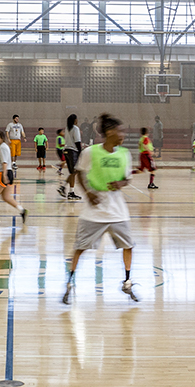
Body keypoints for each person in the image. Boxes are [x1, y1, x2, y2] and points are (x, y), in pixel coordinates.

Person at [63, 113, 138, 304]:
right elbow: (79, 172)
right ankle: (69, 283)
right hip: (94, 211)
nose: (123, 134)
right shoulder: (91, 152)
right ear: (110, 132)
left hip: (117, 210)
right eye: (120, 130)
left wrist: (121, 183)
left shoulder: (124, 154)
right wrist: (87, 193)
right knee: (80, 247)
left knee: (128, 245)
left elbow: (127, 178)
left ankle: (127, 281)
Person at [0, 130, 27, 225]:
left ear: (2, 138)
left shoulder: (2, 148)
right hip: (8, 172)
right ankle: (22, 210)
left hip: (3, 173)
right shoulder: (3, 147)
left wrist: (4, 175)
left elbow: (4, 163)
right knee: (6, 197)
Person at [59, 114, 82, 201]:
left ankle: (67, 189)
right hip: (73, 151)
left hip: (66, 151)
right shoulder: (75, 128)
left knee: (73, 172)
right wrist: (80, 152)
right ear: (75, 120)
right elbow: (77, 141)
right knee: (74, 172)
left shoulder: (67, 128)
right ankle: (68, 191)